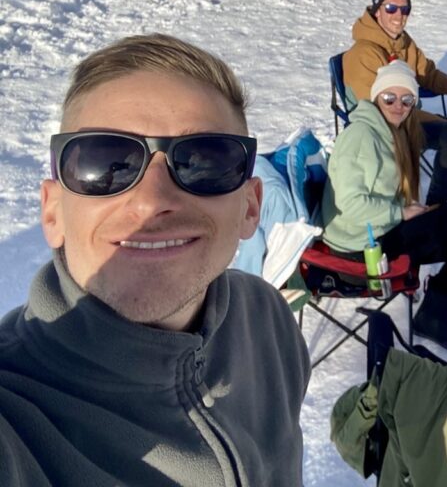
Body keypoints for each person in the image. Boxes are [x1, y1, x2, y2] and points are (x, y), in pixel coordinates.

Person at [0, 34, 310, 485]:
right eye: (107, 163)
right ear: (52, 212)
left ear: (250, 207)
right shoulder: (14, 413)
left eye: (204, 162)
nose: (151, 202)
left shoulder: (267, 320)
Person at [321, 60, 447, 352]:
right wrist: (400, 212)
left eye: (407, 99)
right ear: (376, 96)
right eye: (389, 97)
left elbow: (379, 188)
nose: (398, 105)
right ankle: (438, 311)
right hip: (359, 248)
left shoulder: (389, 130)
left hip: (374, 230)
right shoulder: (361, 136)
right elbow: (350, 204)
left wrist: (408, 207)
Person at [344, 0, 447, 207]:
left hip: (408, 117)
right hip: (383, 128)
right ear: (376, 11)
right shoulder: (362, 53)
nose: (399, 15)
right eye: (391, 8)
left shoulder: (404, 43)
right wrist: (435, 119)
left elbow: (427, 74)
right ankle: (435, 208)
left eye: (405, 9)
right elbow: (379, 110)